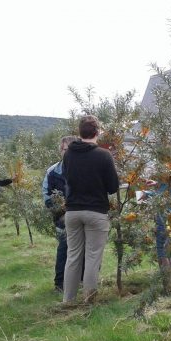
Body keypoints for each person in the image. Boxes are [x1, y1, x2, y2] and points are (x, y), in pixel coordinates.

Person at [61, 115, 120, 302]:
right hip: (95, 211)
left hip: (72, 212)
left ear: (80, 132)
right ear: (97, 132)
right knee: (93, 257)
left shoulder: (69, 154)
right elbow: (112, 187)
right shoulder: (103, 155)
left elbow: (66, 178)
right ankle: (89, 300)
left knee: (73, 256)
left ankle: (68, 300)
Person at [42, 135, 78, 292]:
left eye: (70, 149)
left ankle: (81, 280)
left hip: (80, 216)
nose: (67, 152)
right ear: (60, 151)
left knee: (82, 250)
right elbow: (46, 196)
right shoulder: (53, 172)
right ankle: (60, 283)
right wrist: (61, 211)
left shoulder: (83, 169)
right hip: (62, 219)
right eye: (64, 149)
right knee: (64, 248)